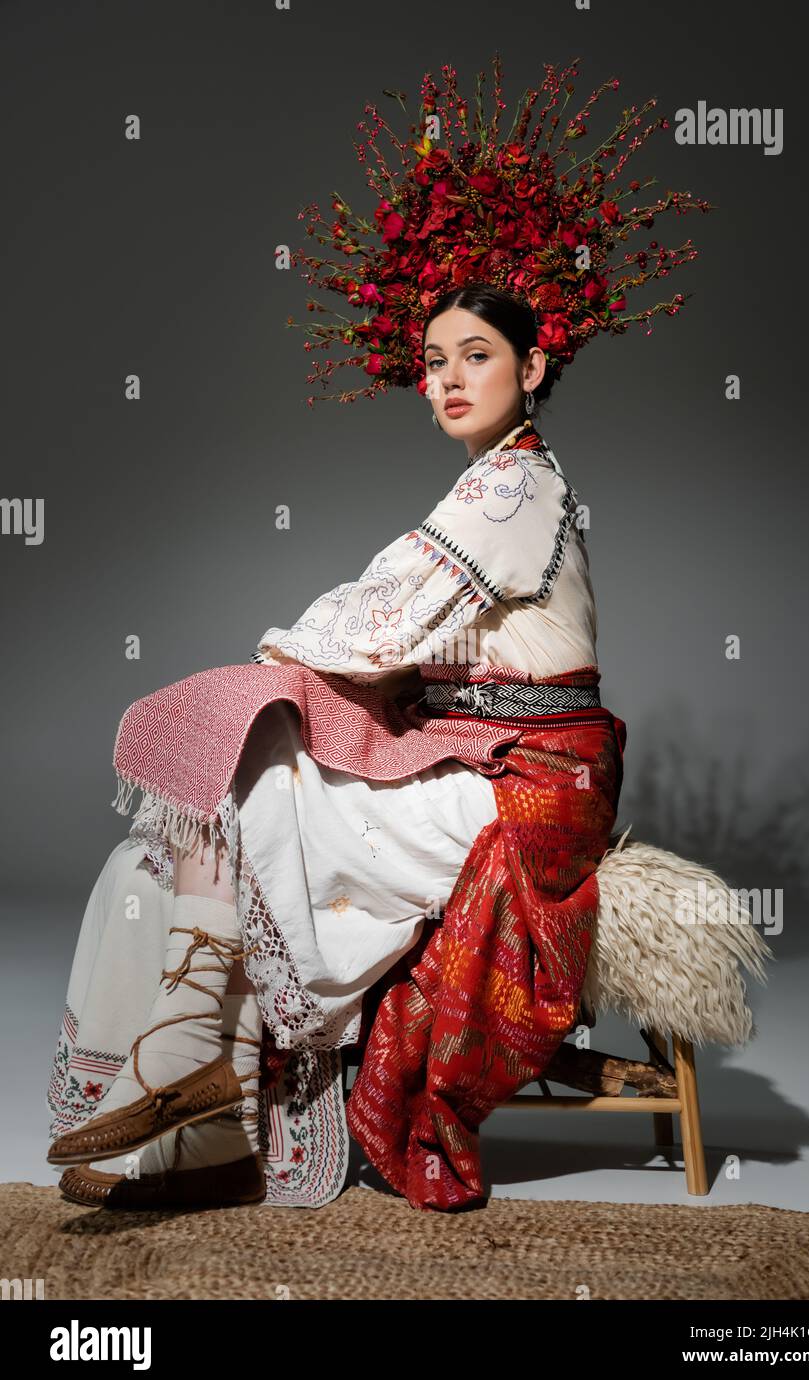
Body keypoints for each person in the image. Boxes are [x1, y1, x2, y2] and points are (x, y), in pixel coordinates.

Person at [45, 57, 706, 1212]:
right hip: (487, 758)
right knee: (215, 807)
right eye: (435, 360)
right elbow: (408, 629)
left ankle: (196, 1061)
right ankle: (196, 1091)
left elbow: (385, 608)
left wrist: (283, 652)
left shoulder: (515, 492)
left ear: (536, 366)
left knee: (257, 777)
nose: (449, 379)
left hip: (533, 794)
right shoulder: (491, 485)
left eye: (479, 357)